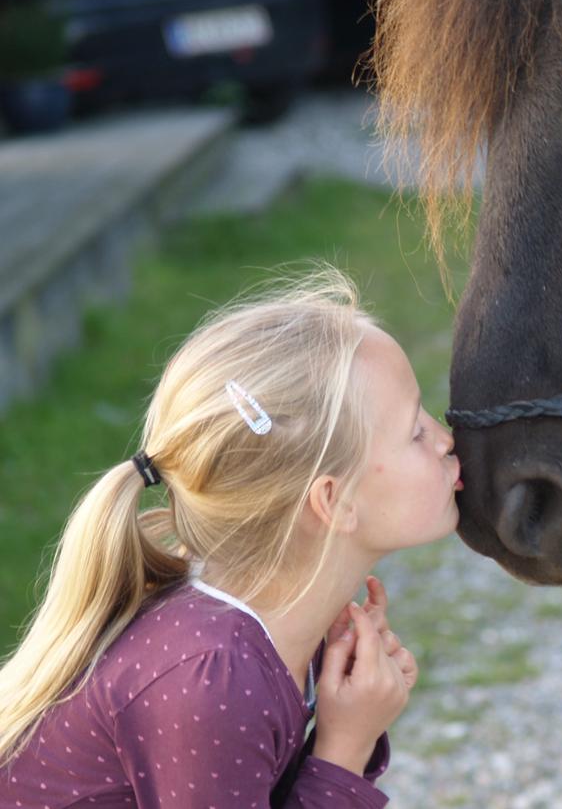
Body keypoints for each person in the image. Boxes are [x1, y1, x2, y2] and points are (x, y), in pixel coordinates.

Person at [0, 266, 462, 807]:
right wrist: (344, 749)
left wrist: (347, 723)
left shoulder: (273, 631)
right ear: (332, 502)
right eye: (415, 431)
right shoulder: (210, 677)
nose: (446, 440)